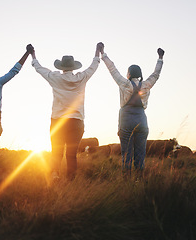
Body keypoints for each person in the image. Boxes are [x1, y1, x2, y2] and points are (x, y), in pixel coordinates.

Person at [27, 43, 103, 180]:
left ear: (61, 68)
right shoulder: (81, 78)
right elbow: (94, 66)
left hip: (58, 121)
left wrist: (32, 54)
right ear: (73, 67)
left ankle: (55, 175)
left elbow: (39, 68)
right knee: (71, 154)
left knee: (56, 151)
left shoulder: (55, 78)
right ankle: (70, 180)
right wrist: (98, 51)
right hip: (76, 122)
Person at [99, 44, 164, 179]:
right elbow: (156, 74)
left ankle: (127, 182)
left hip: (126, 120)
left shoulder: (125, 83)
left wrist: (103, 54)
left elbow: (112, 69)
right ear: (140, 75)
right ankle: (139, 180)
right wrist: (160, 58)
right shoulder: (146, 85)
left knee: (126, 154)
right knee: (140, 155)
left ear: (128, 74)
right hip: (142, 120)